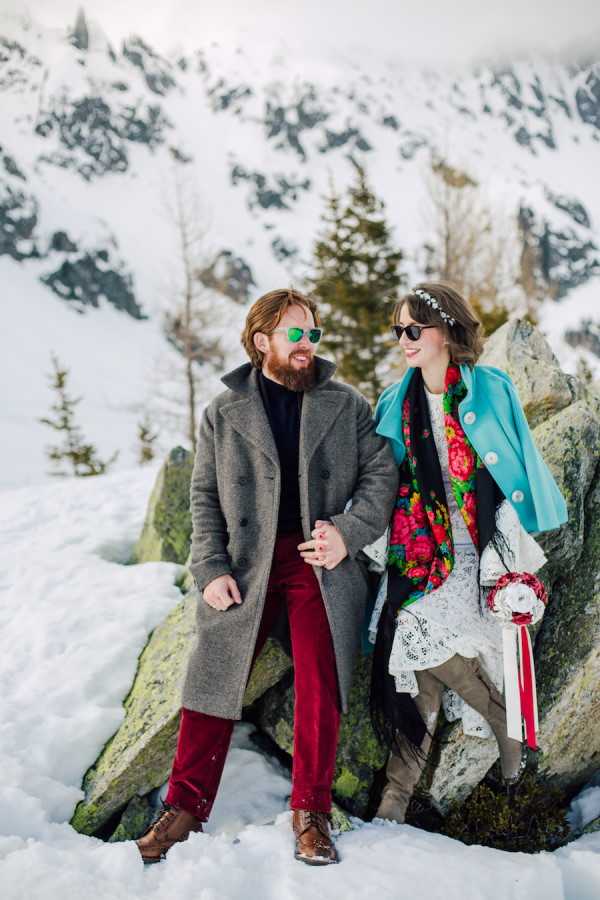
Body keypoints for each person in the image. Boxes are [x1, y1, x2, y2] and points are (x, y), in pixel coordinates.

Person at [135, 288, 398, 865]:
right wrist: (209, 569)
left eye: (313, 335)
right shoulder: (222, 413)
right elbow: (203, 497)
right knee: (212, 668)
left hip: (317, 560)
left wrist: (346, 535)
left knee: (320, 669)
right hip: (245, 565)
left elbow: (382, 478)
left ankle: (311, 811)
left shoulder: (346, 404)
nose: (307, 346)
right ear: (262, 342)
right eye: (295, 335)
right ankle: (183, 809)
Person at [368, 282, 567, 824]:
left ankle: (395, 797)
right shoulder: (393, 401)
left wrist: (515, 546)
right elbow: (382, 481)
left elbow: (517, 463)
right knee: (415, 645)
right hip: (419, 549)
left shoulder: (490, 388)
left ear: (447, 331)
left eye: (415, 329)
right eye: (398, 331)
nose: (405, 340)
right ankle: (503, 724)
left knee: (418, 657)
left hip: (478, 551)